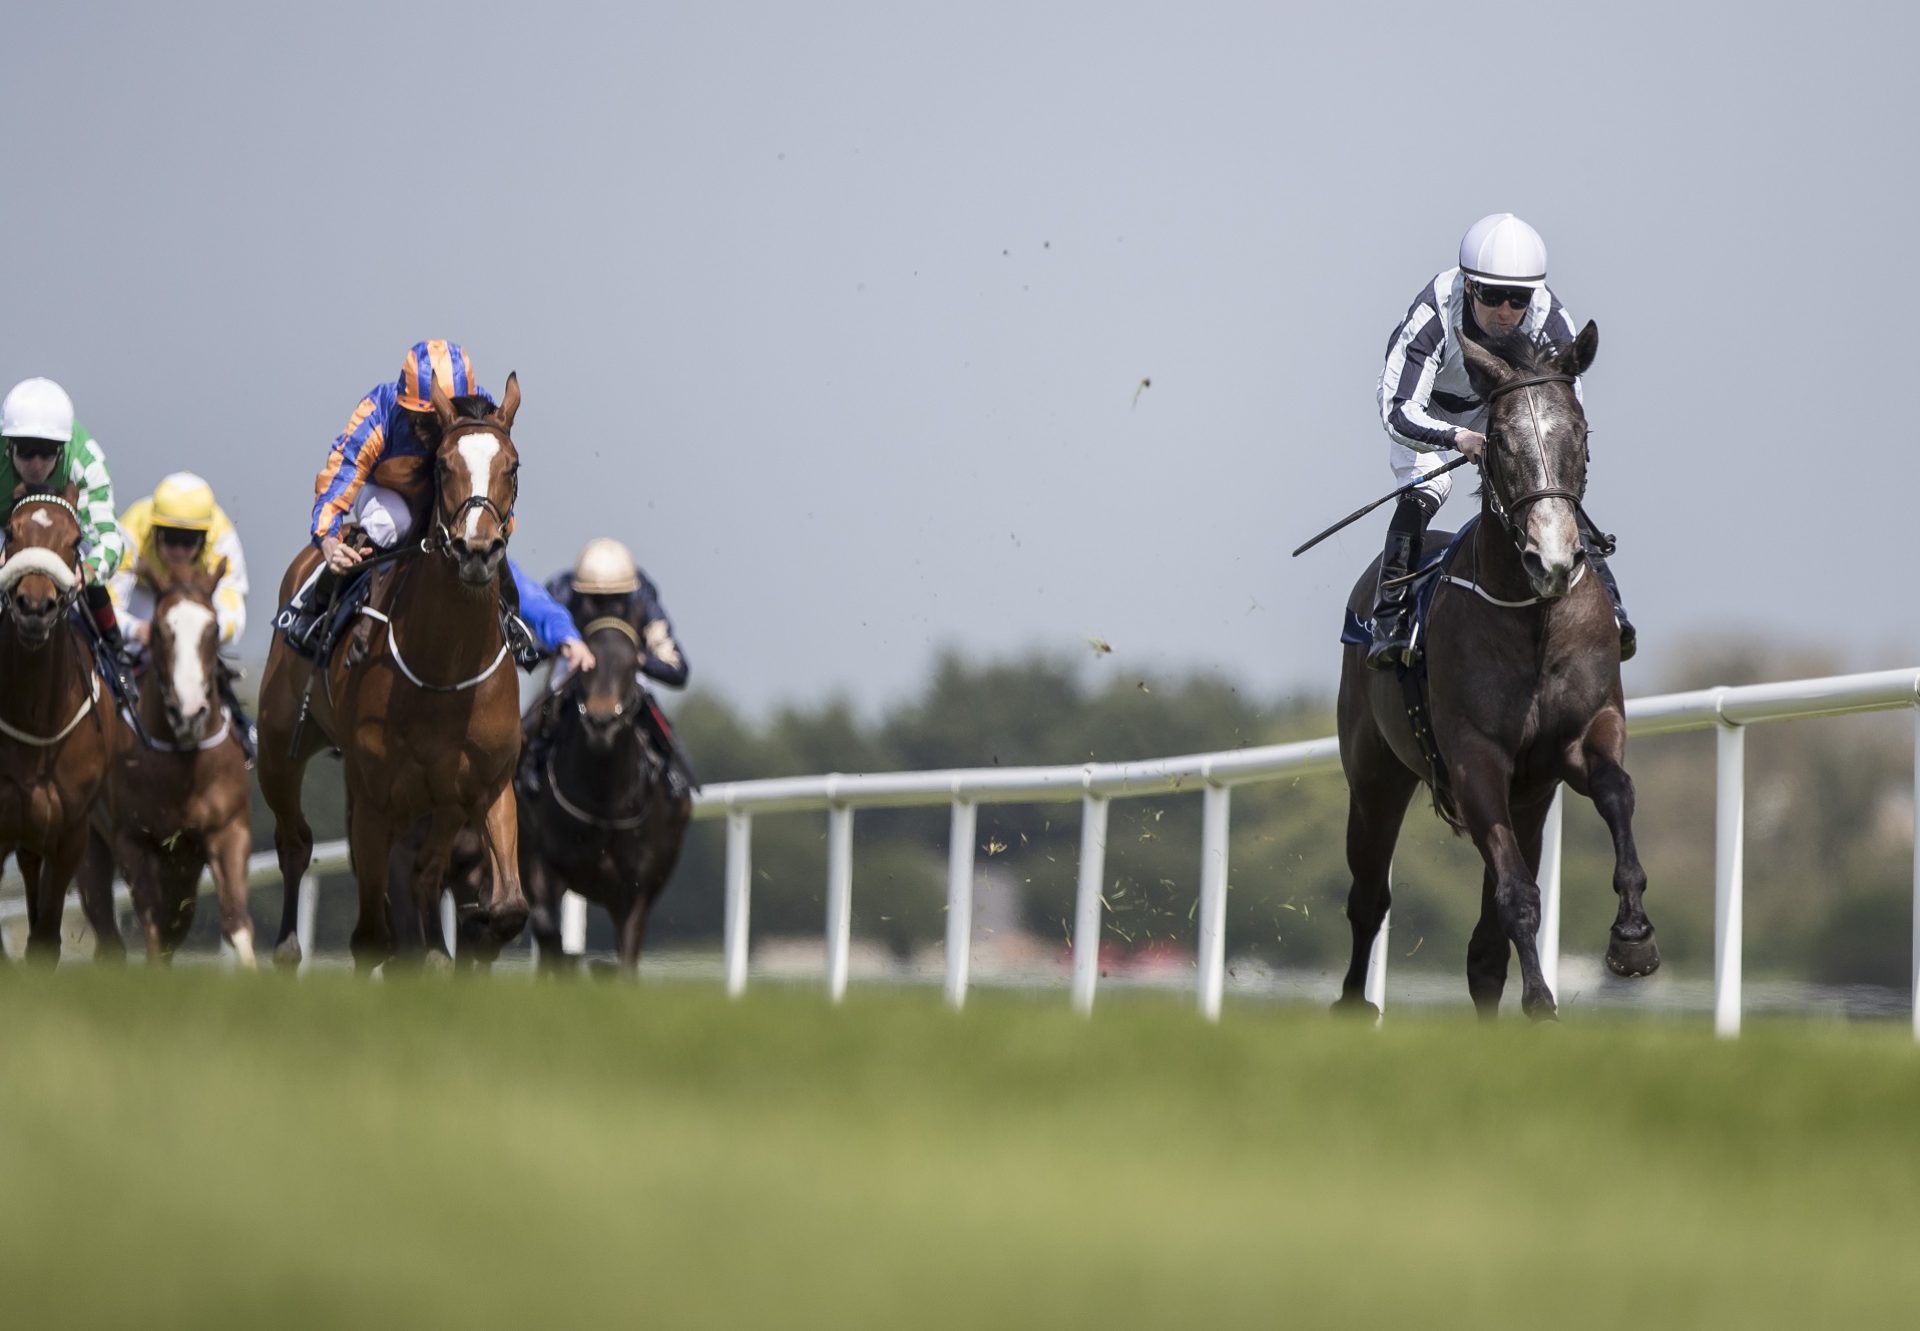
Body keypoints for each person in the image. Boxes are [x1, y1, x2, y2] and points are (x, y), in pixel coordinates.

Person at [1369, 213, 1634, 670]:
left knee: (1549, 487)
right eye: (1492, 296)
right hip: (1430, 412)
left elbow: (1566, 412)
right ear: (1469, 287)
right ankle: (1390, 618)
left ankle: (1611, 605)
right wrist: (1457, 437)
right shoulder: (1434, 313)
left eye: (1518, 298)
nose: (1507, 312)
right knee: (1427, 487)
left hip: (1508, 407)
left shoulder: (1551, 318)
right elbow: (1397, 411)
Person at [274, 341, 591, 673]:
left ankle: (517, 625)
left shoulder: (477, 411)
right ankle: (313, 605)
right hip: (387, 490)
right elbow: (343, 471)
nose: (429, 427)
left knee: (482, 546)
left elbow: (492, 474)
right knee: (391, 523)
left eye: (439, 416)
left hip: (445, 491)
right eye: (420, 417)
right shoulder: (378, 412)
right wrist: (328, 539)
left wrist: (500, 523)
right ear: (403, 404)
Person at [0, 376, 139, 705]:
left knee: (84, 554)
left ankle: (116, 655)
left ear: (63, 448)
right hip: (6, 528)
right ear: (9, 445)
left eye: (48, 453)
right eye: (26, 451)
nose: (36, 464)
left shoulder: (85, 460)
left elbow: (110, 541)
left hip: (61, 535)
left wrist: (85, 573)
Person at [520, 537, 694, 796]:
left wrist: (640, 659)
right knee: (548, 699)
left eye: (616, 600)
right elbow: (524, 653)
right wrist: (561, 645)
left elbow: (677, 669)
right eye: (595, 601)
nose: (607, 609)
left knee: (645, 698)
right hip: (576, 663)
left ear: (629, 593)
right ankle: (527, 762)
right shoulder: (561, 590)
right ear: (580, 593)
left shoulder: (642, 594)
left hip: (625, 669)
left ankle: (672, 766)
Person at [110, 471, 258, 761]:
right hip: (143, 599)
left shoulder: (222, 537)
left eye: (189, 540)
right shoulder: (131, 529)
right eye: (171, 538)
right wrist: (136, 630)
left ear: (205, 537)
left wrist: (204, 632)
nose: (179, 549)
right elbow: (107, 602)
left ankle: (242, 725)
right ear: (155, 531)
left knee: (201, 659)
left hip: (195, 607)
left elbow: (234, 613)